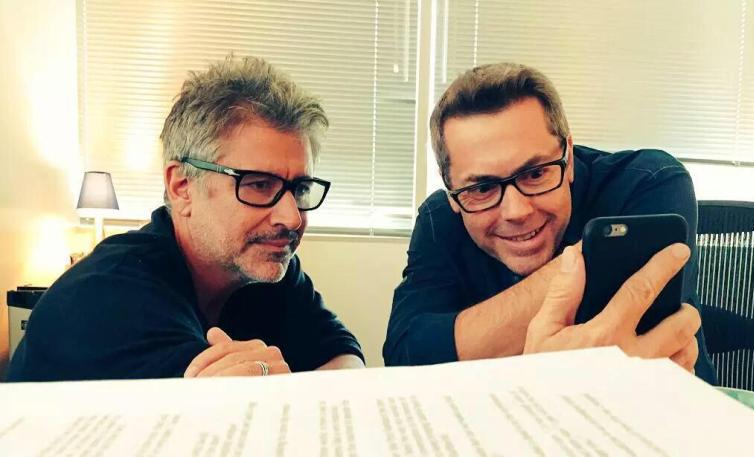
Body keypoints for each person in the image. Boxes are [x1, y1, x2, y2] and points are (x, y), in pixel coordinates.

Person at [8, 56, 364, 381]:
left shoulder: (262, 267)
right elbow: (226, 414)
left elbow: (344, 355)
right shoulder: (107, 296)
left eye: (300, 188)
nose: (291, 217)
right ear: (182, 187)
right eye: (258, 184)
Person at [383, 62, 715, 382]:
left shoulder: (648, 181)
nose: (516, 211)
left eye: (535, 173)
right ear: (451, 192)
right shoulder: (439, 218)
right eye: (482, 188)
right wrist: (547, 366)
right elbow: (407, 355)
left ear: (567, 157)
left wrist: (476, 342)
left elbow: (636, 327)